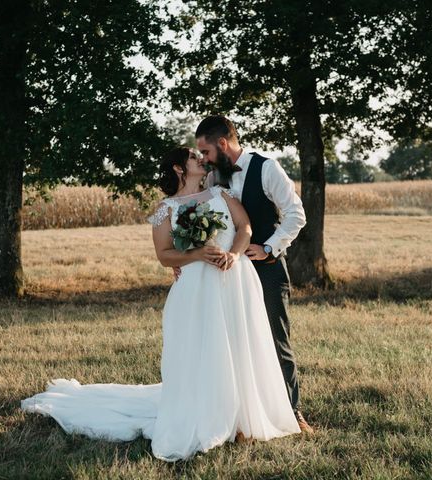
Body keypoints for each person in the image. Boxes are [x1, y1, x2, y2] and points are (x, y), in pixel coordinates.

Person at [20, 147, 300, 462]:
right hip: (195, 286)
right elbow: (164, 254)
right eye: (195, 158)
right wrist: (196, 254)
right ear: (181, 169)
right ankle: (210, 413)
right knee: (202, 347)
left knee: (238, 344)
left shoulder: (222, 195)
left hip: (234, 280)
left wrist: (234, 254)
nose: (202, 160)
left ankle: (242, 416)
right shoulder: (165, 209)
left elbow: (245, 228)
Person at [194, 115, 313, 433]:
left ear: (222, 144)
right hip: (228, 274)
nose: (203, 159)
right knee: (234, 342)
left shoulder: (267, 167)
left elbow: (296, 214)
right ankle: (241, 416)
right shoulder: (212, 179)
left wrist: (269, 247)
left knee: (276, 340)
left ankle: (292, 411)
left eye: (205, 152)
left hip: (267, 268)